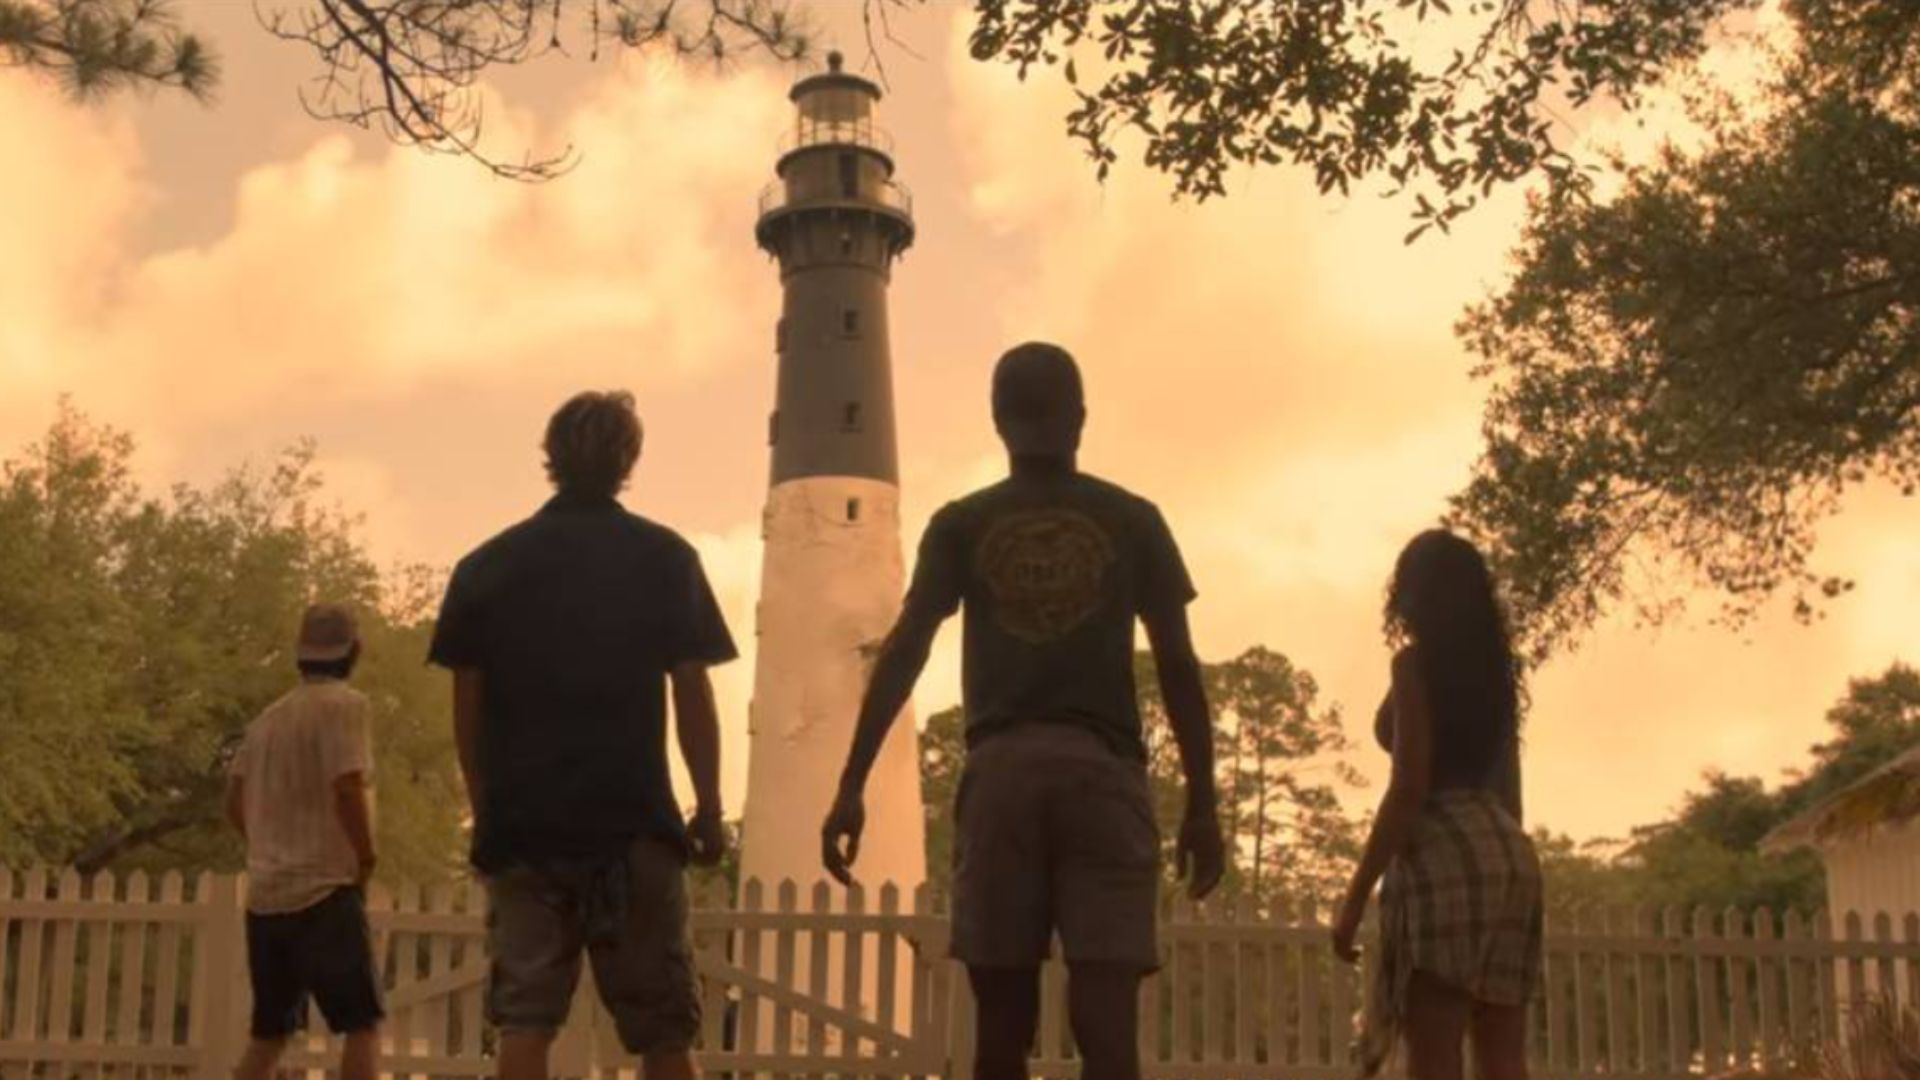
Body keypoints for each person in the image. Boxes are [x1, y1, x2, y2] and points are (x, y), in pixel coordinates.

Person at [820, 342, 1226, 1080]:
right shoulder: (1134, 520)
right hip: (1103, 773)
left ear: (997, 420)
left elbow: (905, 650)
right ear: (1079, 418)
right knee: (1107, 1026)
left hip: (1002, 772)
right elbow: (1177, 666)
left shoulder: (962, 524)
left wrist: (852, 783)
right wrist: (1203, 800)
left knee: (999, 1027)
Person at [429, 391, 736, 1080]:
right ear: (629, 459)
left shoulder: (487, 568)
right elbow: (692, 690)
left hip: (526, 828)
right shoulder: (666, 559)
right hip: (632, 823)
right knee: (663, 1029)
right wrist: (709, 807)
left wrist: (486, 809)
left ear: (550, 456)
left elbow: (467, 705)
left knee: (525, 1019)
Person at [1332, 529, 1543, 1080]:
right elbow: (1503, 771)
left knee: (1434, 1051)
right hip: (1508, 849)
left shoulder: (1415, 665)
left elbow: (1409, 784)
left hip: (1443, 850)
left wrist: (1355, 898)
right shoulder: (1498, 670)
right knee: (1503, 1053)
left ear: (1410, 594)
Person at [226, 603, 383, 1080]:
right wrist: (365, 856)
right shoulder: (346, 706)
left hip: (267, 896)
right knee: (361, 1024)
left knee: (269, 1033)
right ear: (354, 650)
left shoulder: (266, 721)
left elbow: (233, 802)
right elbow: (347, 785)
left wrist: (270, 845)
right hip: (324, 891)